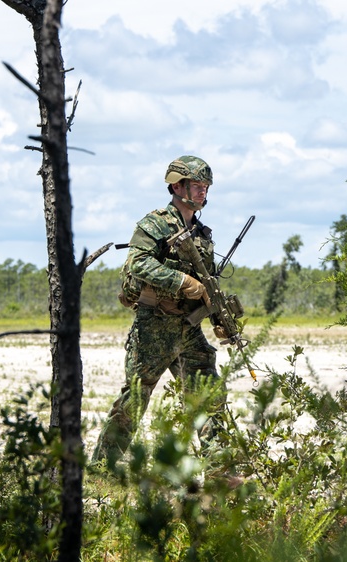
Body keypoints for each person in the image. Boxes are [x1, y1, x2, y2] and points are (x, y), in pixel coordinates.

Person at [91, 155, 227, 471]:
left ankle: (219, 469)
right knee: (135, 400)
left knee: (209, 397)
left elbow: (208, 284)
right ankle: (103, 466)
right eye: (196, 186)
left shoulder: (203, 234)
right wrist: (181, 281)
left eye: (205, 187)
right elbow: (138, 263)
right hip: (154, 325)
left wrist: (218, 319)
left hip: (189, 329)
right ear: (176, 185)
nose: (202, 193)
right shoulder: (154, 224)